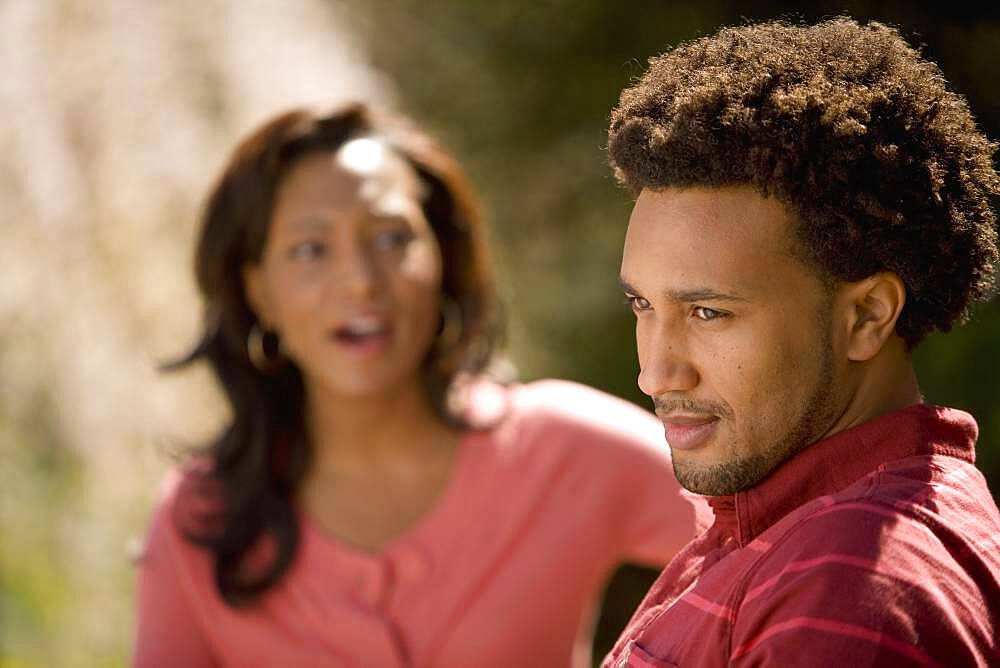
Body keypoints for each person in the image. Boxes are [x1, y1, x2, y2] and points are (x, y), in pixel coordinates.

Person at [133, 103, 706, 667]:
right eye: (311, 249)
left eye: (391, 238)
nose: (360, 281)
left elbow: (786, 533)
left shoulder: (565, 446)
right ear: (259, 292)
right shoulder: (202, 514)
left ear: (442, 258)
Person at [603, 17, 1000, 668]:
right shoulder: (787, 530)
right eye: (641, 305)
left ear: (868, 316)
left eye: (707, 312)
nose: (656, 373)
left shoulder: (850, 586)